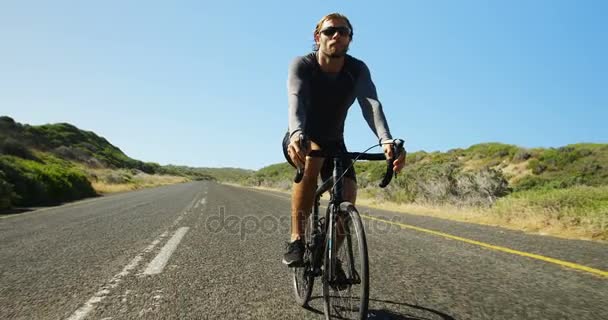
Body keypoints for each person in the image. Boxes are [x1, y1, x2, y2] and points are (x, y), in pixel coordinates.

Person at [282, 13, 406, 267]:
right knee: (312, 157)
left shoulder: (356, 69)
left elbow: (371, 105)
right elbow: (295, 101)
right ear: (318, 38)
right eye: (329, 31)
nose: (336, 35)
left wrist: (386, 140)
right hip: (301, 138)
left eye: (343, 31)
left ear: (350, 39)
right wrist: (296, 134)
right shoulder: (303, 65)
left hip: (334, 142)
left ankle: (328, 255)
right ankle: (296, 238)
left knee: (347, 197)